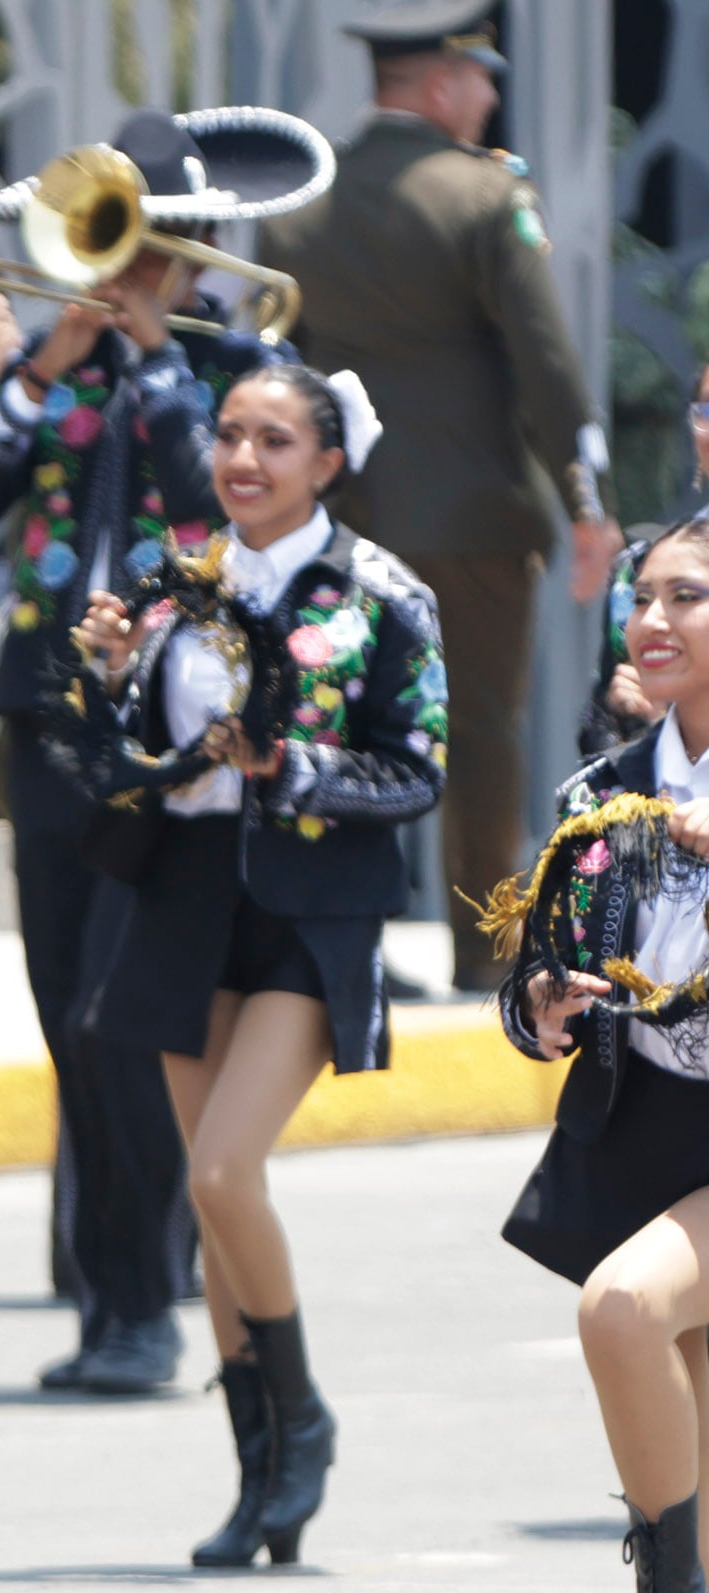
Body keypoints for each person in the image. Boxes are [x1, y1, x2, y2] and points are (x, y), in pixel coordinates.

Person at [0, 107, 318, 1395]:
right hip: (52, 713)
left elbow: (211, 505)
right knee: (63, 1007)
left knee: (124, 1013)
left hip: (176, 728)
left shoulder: (240, 372)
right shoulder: (58, 360)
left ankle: (148, 1301)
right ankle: (114, 1295)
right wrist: (44, 366)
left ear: (192, 244)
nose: (124, 267)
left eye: (145, 243)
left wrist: (154, 358)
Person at [72, 364, 444, 1566]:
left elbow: (419, 768)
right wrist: (111, 678)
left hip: (309, 910)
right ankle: (259, 1472)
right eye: (231, 434)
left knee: (226, 1175)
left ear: (329, 463)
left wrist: (302, 775)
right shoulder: (169, 580)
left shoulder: (386, 597)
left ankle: (306, 1419)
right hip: (183, 897)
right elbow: (116, 758)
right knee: (215, 1193)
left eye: (275, 440)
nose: (242, 458)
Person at [259, 0, 623, 993]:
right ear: (438, 85)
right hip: (472, 520)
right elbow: (546, 363)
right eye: (479, 76)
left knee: (336, 721)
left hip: (348, 524)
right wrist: (586, 502)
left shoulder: (300, 206)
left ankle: (338, 939)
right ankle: (481, 943)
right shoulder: (481, 197)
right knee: (481, 733)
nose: (492, 93)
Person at [495, 517, 709, 1593]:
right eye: (643, 596)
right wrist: (541, 1006)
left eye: (689, 596)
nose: (654, 620)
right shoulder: (603, 788)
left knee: (621, 1310)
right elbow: (534, 974)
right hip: (647, 1141)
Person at [578, 360, 709, 760]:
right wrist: (641, 722)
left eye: (687, 596)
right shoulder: (642, 569)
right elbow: (597, 731)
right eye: (706, 411)